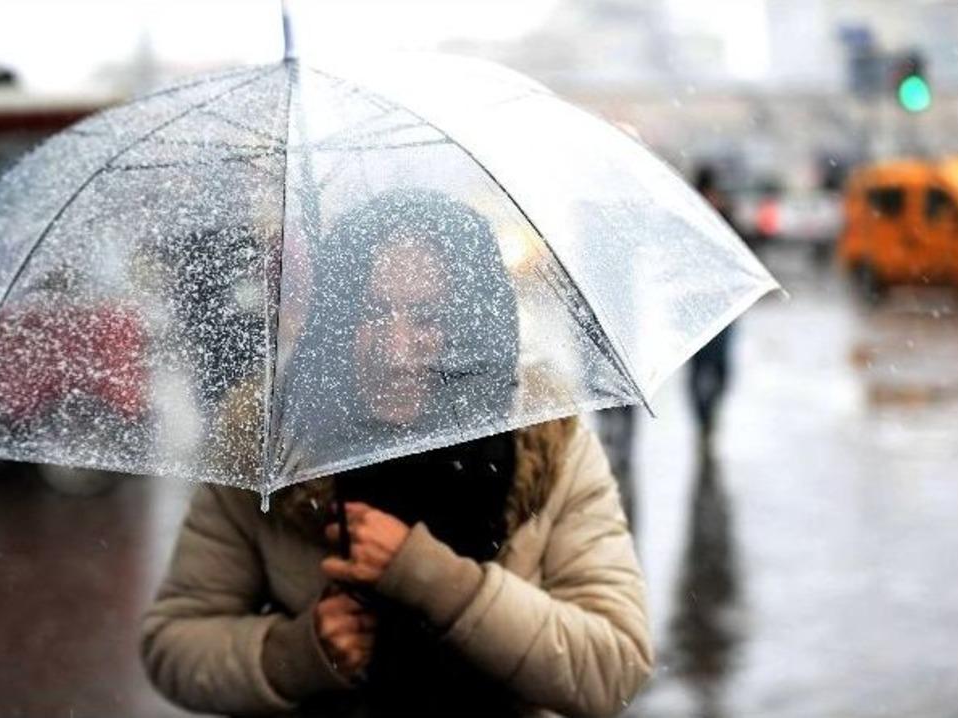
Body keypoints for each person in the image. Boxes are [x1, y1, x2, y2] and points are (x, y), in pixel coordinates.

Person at [141, 190, 653, 717]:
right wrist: (295, 654)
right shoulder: (269, 444)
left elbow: (612, 667)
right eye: (370, 313)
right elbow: (175, 643)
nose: (396, 346)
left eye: (428, 318)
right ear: (335, 317)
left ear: (475, 323)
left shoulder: (546, 445)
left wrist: (436, 580)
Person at [688, 166, 737, 453]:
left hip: (724, 304)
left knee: (721, 367)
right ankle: (702, 417)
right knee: (699, 367)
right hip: (695, 305)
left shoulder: (726, 216)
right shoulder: (687, 219)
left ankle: (712, 412)